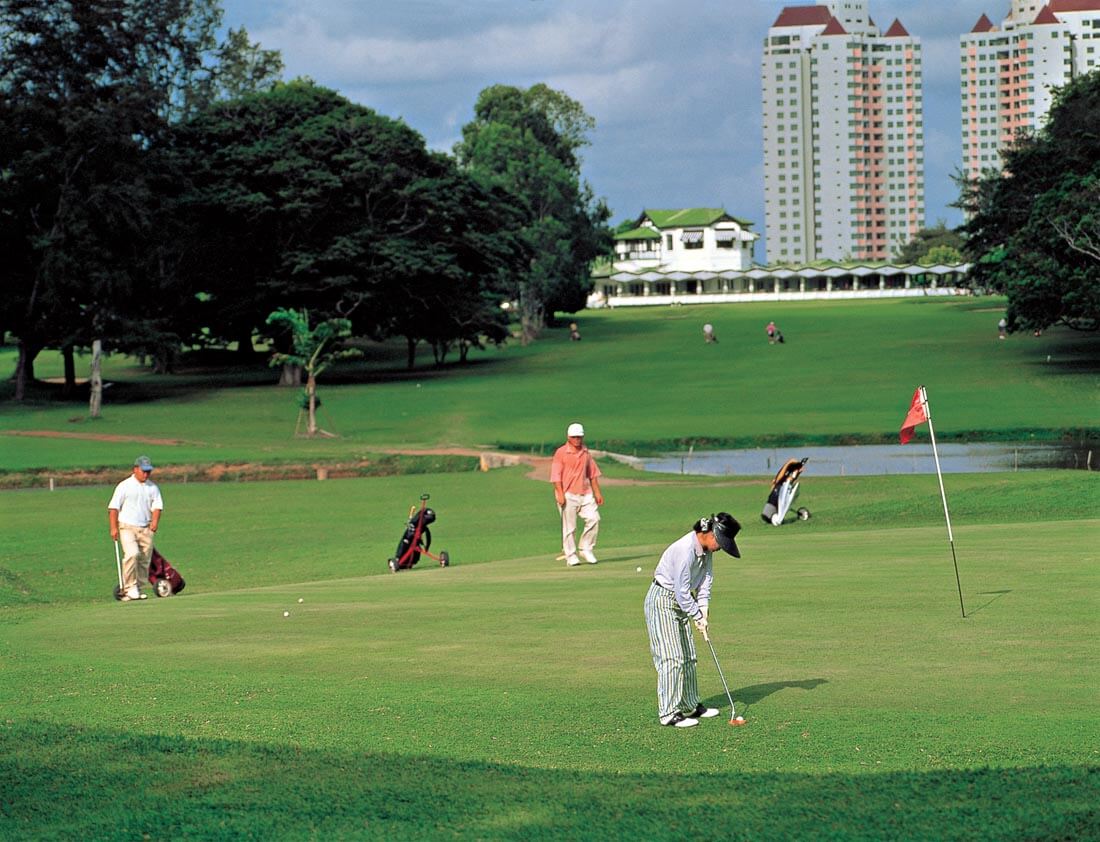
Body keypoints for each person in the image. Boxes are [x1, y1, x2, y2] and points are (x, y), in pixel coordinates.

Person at [644, 512, 741, 727]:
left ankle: (690, 705)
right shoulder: (685, 550)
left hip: (683, 603)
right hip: (663, 601)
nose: (720, 548)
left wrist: (704, 610)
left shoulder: (706, 551)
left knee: (689, 656)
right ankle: (669, 713)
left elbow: (705, 581)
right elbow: (681, 592)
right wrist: (697, 615)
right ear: (710, 534)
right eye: (720, 542)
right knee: (672, 658)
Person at [107, 455, 164, 602]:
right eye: (143, 471)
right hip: (127, 526)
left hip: (145, 528)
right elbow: (113, 508)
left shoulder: (153, 487)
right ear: (136, 469)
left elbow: (157, 506)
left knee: (144, 560)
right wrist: (113, 528)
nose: (146, 474)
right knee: (132, 554)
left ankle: (137, 588)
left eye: (148, 471)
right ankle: (129, 587)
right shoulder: (124, 486)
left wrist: (155, 522)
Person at [550, 422, 603, 566]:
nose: (577, 440)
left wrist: (597, 492)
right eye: (574, 437)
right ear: (568, 437)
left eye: (579, 437)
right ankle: (571, 555)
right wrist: (560, 494)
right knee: (569, 528)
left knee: (594, 519)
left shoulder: (585, 452)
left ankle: (586, 548)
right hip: (568, 494)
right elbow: (556, 476)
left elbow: (592, 474)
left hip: (585, 493)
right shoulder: (561, 453)